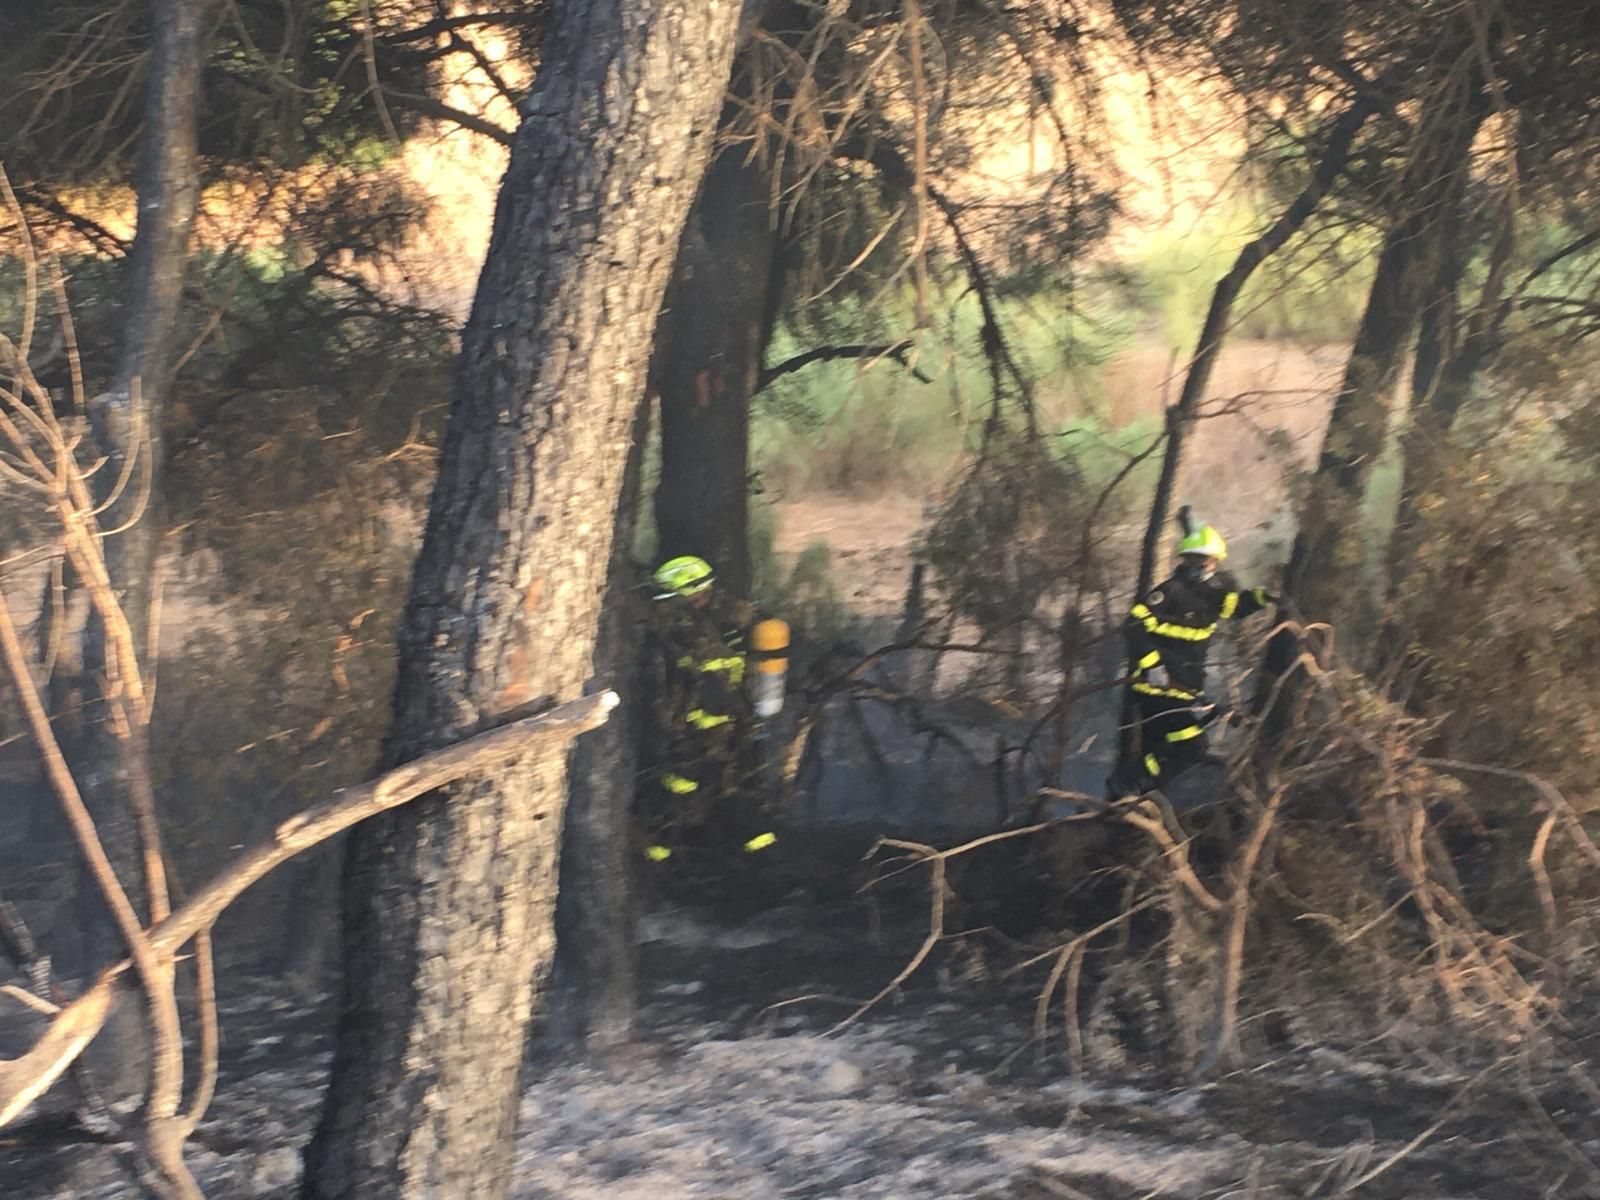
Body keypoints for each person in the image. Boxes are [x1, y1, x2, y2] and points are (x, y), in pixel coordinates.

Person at [1107, 519, 1274, 800]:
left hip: (1183, 688)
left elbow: (1236, 607)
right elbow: (1133, 626)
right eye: (1202, 560)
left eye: (1210, 562)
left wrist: (1263, 597)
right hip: (1156, 688)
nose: (1206, 567)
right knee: (1191, 747)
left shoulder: (1213, 595)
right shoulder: (1169, 592)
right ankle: (1127, 783)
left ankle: (1134, 795)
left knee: (1162, 748)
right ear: (1188, 559)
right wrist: (1153, 666)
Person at [640, 555, 775, 862]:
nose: (706, 596)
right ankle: (663, 861)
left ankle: (753, 857)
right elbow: (703, 669)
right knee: (684, 792)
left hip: (719, 727)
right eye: (699, 591)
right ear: (681, 592)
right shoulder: (673, 623)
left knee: (733, 787)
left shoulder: (710, 620)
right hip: (690, 732)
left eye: (707, 590)